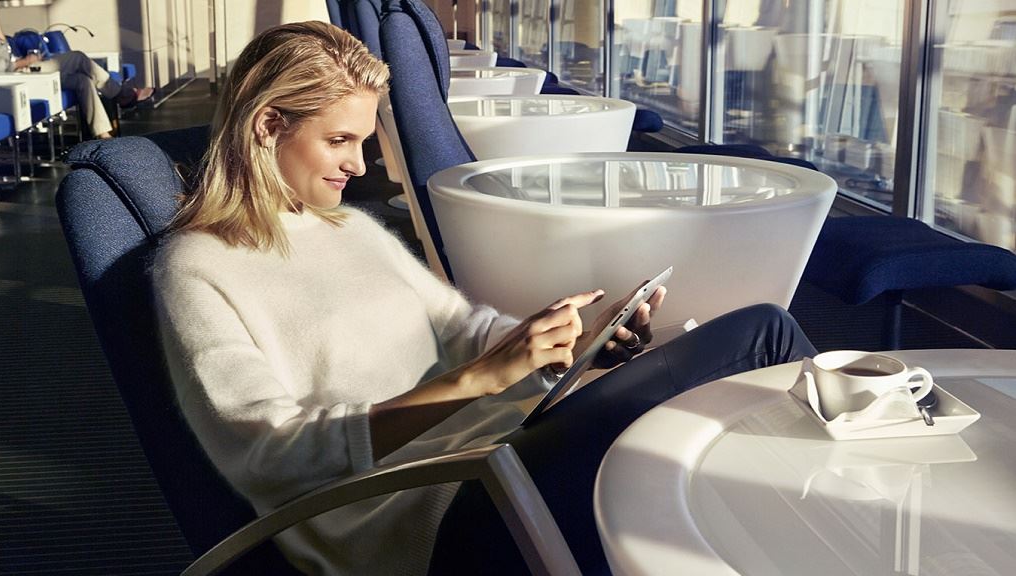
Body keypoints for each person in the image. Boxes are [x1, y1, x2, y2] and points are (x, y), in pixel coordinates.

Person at [152, 21, 817, 576]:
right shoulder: (197, 267)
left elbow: (466, 327)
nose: (359, 165)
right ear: (268, 125)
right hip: (422, 508)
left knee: (754, 347)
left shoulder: (347, 228)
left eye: (360, 140)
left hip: (499, 443)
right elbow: (270, 453)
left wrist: (567, 342)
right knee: (761, 339)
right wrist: (479, 379)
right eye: (338, 140)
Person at [0, 0, 154, 139]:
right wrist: (25, 61)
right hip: (16, 76)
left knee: (82, 80)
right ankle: (121, 94)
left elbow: (3, 50)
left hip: (24, 68)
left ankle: (103, 134)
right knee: (78, 58)